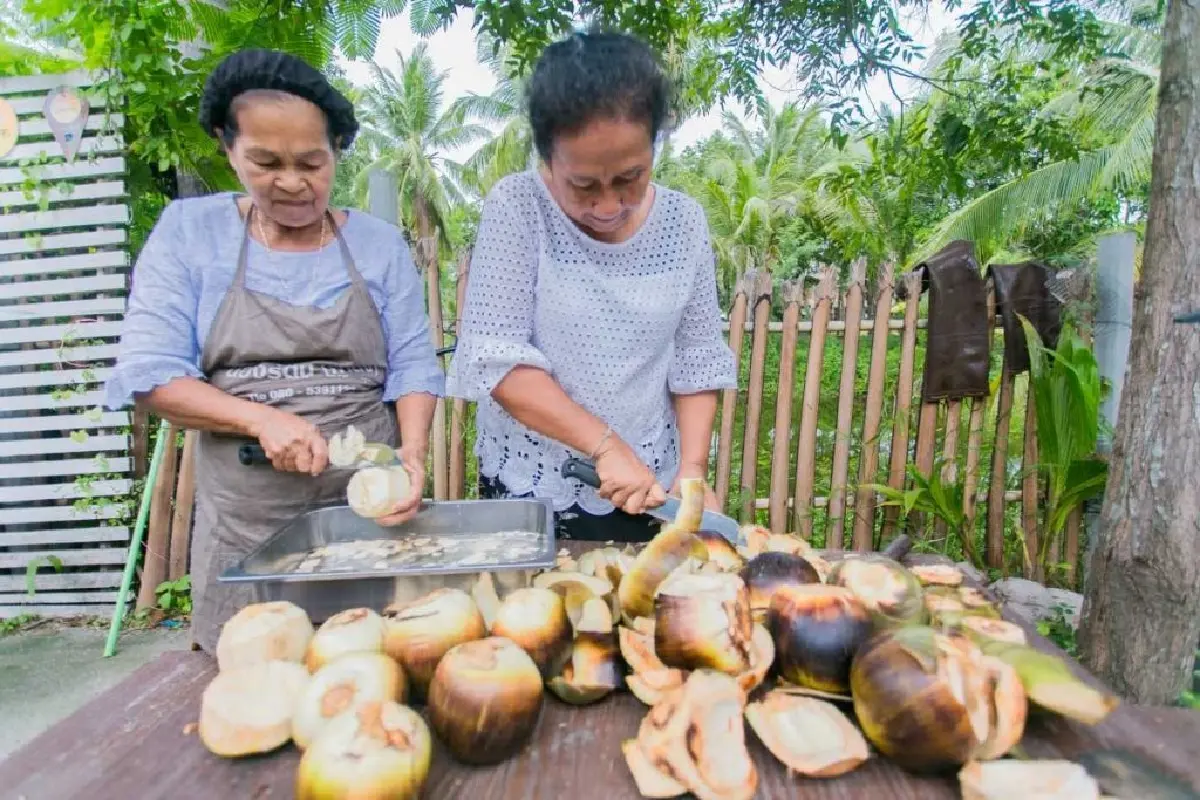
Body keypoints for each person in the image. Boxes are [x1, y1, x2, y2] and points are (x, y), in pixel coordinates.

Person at [103, 49, 444, 653]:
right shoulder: (190, 235)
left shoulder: (377, 245)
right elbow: (151, 373)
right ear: (226, 147)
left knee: (379, 667)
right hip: (248, 526)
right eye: (265, 162)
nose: (292, 181)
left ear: (337, 150)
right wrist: (262, 419)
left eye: (312, 162)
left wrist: (411, 455)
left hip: (371, 516)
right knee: (257, 677)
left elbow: (415, 364)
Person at [446, 31, 736, 542]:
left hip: (651, 482)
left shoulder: (683, 222)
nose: (607, 206)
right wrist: (604, 446)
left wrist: (691, 471)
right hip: (533, 487)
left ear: (654, 146)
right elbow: (498, 359)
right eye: (583, 185)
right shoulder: (518, 207)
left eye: (631, 177)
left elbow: (697, 359)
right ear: (546, 160)